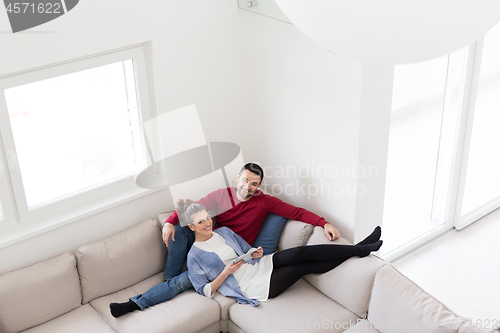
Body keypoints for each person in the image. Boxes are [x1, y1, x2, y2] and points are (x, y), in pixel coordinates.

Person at [110, 163, 343, 317]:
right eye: (245, 180)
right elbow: (193, 209)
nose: (247, 186)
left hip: (229, 254)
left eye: (254, 183)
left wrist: (325, 223)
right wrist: (170, 221)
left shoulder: (265, 202)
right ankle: (166, 277)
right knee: (180, 230)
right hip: (209, 245)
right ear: (237, 178)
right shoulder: (221, 196)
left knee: (182, 283)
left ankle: (136, 303)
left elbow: (297, 212)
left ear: (259, 186)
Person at [183, 200, 382, 304]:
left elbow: (246, 250)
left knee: (300, 253)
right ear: (192, 227)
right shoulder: (194, 256)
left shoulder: (223, 232)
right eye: (201, 222)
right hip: (251, 286)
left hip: (259, 265)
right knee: (302, 268)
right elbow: (205, 291)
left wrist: (256, 252)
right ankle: (360, 250)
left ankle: (359, 248)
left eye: (207, 218)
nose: (208, 223)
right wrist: (225, 273)